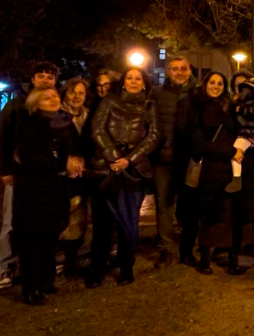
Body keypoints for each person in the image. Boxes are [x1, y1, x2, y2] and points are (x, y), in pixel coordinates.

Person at [86, 68, 160, 288]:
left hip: (133, 171)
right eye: (130, 78)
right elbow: (97, 129)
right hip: (106, 169)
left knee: (128, 221)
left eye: (138, 78)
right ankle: (98, 266)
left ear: (144, 83)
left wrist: (130, 159)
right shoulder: (109, 102)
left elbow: (153, 136)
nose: (134, 81)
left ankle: (126, 266)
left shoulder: (149, 106)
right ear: (123, 82)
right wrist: (114, 156)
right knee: (102, 223)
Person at [186, 71, 254, 275]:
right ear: (205, 84)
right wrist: (231, 151)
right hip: (211, 169)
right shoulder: (197, 108)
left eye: (220, 83)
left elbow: (241, 130)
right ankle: (204, 257)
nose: (216, 86)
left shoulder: (229, 106)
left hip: (231, 168)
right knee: (209, 215)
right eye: (212, 82)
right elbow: (199, 142)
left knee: (233, 216)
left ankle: (232, 257)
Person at [0, 61, 59, 290]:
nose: (45, 80)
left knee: (40, 223)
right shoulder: (16, 107)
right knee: (11, 222)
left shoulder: (55, 108)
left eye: (50, 77)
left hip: (45, 179)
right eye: (40, 76)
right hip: (19, 175)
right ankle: (5, 267)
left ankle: (36, 265)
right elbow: (1, 138)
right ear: (33, 79)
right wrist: (4, 170)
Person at [14, 88, 82, 305]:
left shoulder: (65, 124)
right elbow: (29, 157)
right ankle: (30, 286)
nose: (54, 99)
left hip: (57, 186)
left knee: (51, 236)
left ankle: (46, 278)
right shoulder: (30, 124)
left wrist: (75, 162)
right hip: (34, 189)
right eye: (47, 97)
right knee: (33, 239)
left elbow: (73, 150)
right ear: (36, 103)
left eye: (55, 96)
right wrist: (62, 164)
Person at [149, 56, 197, 269]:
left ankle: (188, 249)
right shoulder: (157, 94)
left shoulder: (199, 93)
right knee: (164, 206)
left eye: (183, 68)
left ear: (190, 70)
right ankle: (166, 249)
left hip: (190, 159)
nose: (179, 72)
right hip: (164, 158)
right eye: (174, 69)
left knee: (190, 206)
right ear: (167, 71)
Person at [58, 78, 92, 277]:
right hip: (63, 174)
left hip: (84, 174)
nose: (76, 96)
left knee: (79, 216)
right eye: (72, 92)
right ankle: (62, 257)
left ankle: (72, 258)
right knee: (65, 215)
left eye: (81, 92)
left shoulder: (88, 116)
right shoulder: (56, 115)